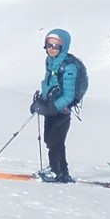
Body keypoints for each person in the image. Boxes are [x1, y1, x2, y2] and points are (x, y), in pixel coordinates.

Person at [30, 28, 79, 182]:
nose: (51, 49)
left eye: (55, 46)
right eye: (48, 45)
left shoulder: (69, 67)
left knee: (56, 142)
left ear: (63, 47)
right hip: (51, 108)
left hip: (61, 111)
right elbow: (48, 83)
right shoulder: (50, 62)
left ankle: (61, 172)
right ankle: (54, 168)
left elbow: (69, 95)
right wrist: (41, 101)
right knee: (48, 140)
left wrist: (54, 107)